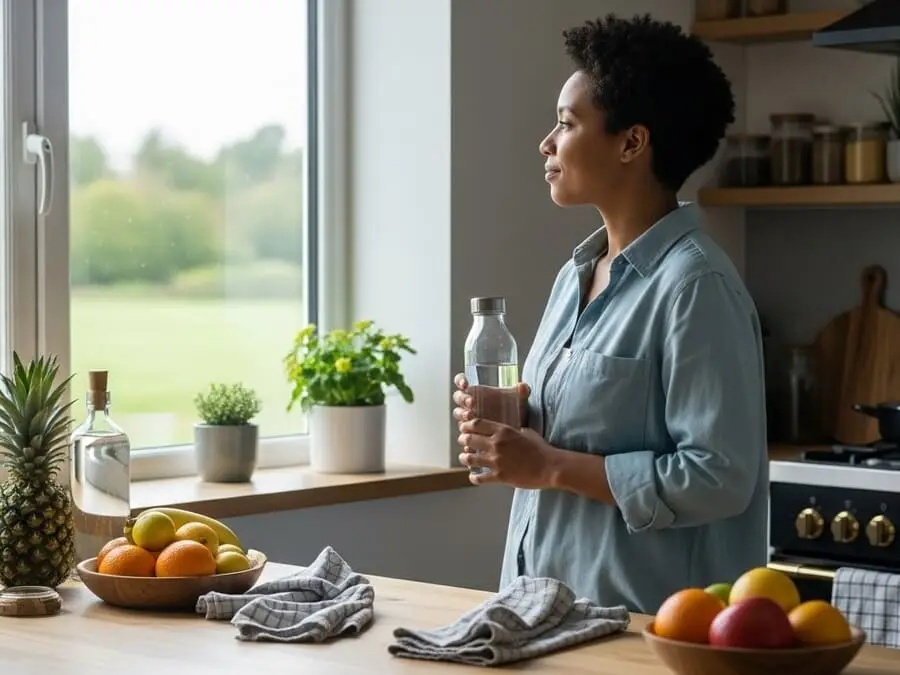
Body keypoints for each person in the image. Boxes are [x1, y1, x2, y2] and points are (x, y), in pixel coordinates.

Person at [451, 13, 769, 615]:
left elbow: (719, 476)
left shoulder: (695, 287)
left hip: (642, 631)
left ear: (631, 142)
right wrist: (522, 417)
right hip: (538, 612)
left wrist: (548, 465)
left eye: (567, 124)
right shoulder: (574, 276)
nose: (546, 142)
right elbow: (604, 423)